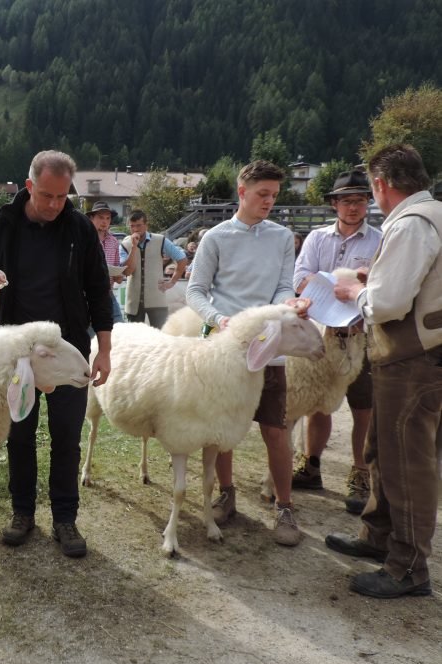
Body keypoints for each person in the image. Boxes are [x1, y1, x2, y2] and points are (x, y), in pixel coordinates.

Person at [0, 149, 113, 558]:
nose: (53, 204)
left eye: (62, 197)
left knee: (67, 436)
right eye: (46, 195)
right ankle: (22, 513)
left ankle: (66, 518)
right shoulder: (2, 223)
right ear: (29, 186)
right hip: (19, 355)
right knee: (20, 435)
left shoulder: (80, 230)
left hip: (68, 351)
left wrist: (104, 349)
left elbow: (100, 292)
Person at [326, 143, 442, 599]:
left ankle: (408, 567)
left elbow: (390, 302)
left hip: (411, 359)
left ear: (381, 184)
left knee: (407, 461)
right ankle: (379, 536)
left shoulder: (412, 224)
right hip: (417, 354)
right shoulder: (432, 215)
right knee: (383, 450)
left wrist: (353, 295)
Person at [186, 159, 311, 547]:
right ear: (242, 192)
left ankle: (285, 506)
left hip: (269, 352)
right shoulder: (216, 238)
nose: (269, 201)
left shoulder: (281, 238)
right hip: (225, 352)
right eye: (262, 194)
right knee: (221, 432)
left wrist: (286, 305)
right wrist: (219, 319)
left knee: (276, 429)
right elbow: (195, 290)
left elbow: (282, 286)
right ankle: (227, 493)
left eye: (274, 195)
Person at [290, 170, 382, 514]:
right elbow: (300, 278)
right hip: (322, 331)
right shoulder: (316, 238)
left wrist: (357, 286)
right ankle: (311, 465)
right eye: (346, 201)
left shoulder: (380, 239)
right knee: (319, 403)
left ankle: (360, 475)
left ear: (367, 203)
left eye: (359, 200)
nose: (353, 207)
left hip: (362, 334)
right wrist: (335, 284)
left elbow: (382, 284)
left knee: (363, 407)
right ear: (334, 204)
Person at [119, 210, 187, 328]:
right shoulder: (125, 244)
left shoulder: (160, 240)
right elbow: (127, 271)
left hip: (157, 301)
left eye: (139, 225)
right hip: (134, 302)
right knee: (135, 339)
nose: (135, 229)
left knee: (161, 336)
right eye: (132, 226)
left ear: (146, 225)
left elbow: (182, 259)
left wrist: (172, 281)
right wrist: (133, 247)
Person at [86, 201, 125, 324]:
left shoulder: (114, 242)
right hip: (87, 296)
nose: (105, 222)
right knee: (90, 335)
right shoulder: (84, 239)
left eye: (108, 218)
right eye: (101, 218)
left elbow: (118, 276)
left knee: (120, 328)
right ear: (91, 218)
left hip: (108, 294)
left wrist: (118, 275)